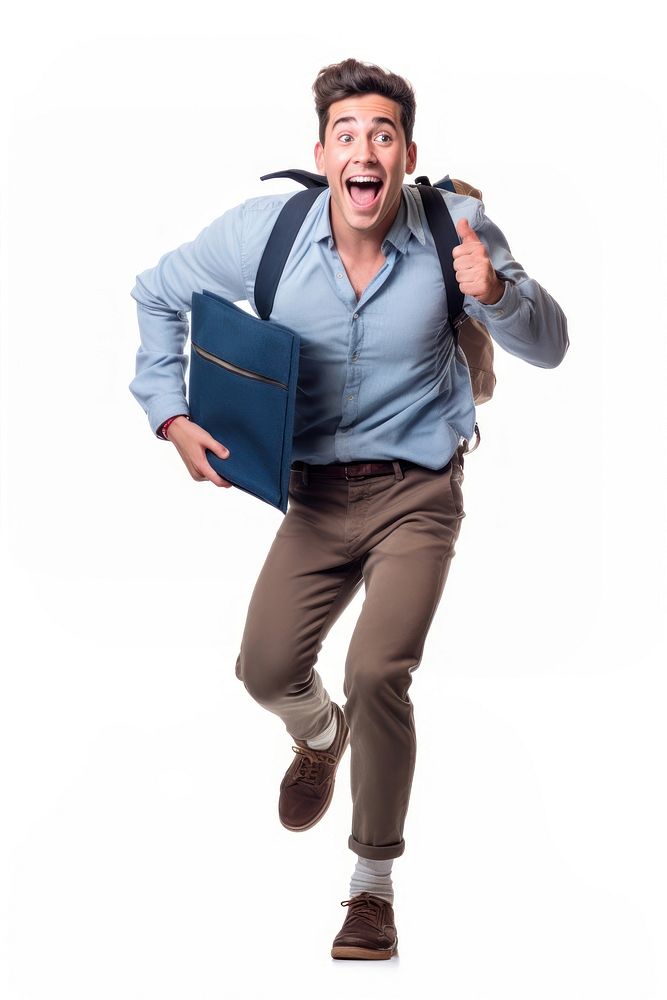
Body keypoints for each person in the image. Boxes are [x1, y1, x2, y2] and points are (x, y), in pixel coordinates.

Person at [129, 57, 569, 960]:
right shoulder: (269, 233)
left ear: (406, 153)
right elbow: (157, 290)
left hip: (418, 495)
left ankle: (371, 886)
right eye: (346, 135)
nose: (363, 150)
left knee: (378, 671)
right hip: (315, 497)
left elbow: (552, 346)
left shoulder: (457, 228)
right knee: (260, 670)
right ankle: (316, 733)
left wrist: (497, 295)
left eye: (382, 135)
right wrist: (168, 412)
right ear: (321, 151)